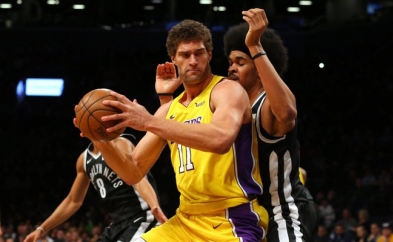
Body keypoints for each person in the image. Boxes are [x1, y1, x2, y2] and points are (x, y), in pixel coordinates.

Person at [95, 19, 268, 241]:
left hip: (232, 219)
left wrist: (147, 121)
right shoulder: (168, 110)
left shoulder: (227, 90)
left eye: (199, 53)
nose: (193, 61)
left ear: (210, 55)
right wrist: (99, 139)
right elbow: (133, 171)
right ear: (174, 59)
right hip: (185, 220)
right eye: (185, 55)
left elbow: (221, 138)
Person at [223, 8, 318, 242]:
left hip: (282, 210)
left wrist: (255, 46)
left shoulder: (267, 105)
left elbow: (287, 114)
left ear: (258, 68)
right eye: (230, 62)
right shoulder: (232, 107)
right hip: (250, 214)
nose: (231, 68)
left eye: (240, 62)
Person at [23, 133, 167, 242]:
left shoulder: (121, 143)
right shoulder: (84, 160)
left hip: (142, 218)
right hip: (117, 224)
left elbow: (137, 179)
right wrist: (42, 229)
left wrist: (154, 206)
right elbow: (73, 201)